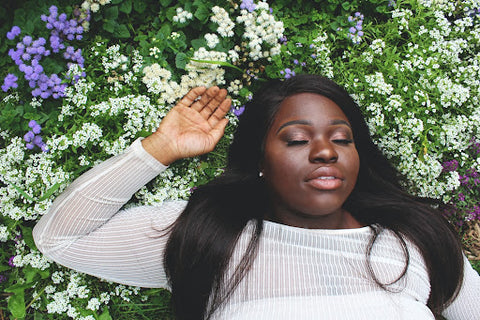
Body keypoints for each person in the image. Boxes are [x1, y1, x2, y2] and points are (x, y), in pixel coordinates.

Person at [33, 75, 479, 320]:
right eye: (297, 140)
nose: (325, 151)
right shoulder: (209, 237)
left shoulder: (415, 243)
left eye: (341, 139)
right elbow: (59, 238)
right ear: (259, 161)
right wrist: (157, 150)